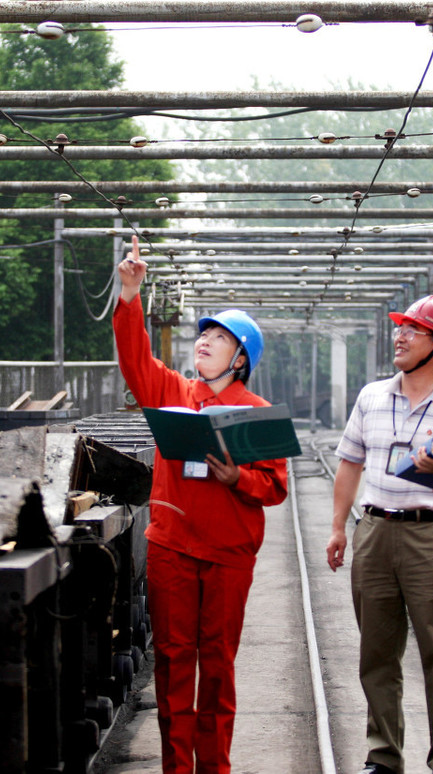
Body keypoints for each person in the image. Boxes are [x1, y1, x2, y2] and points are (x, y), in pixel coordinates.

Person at [113, 235, 289, 774]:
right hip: (171, 547)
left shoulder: (257, 413)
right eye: (204, 333)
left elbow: (275, 486)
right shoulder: (173, 393)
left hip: (228, 555)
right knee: (172, 661)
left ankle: (215, 767)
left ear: (241, 359)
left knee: (216, 667)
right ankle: (176, 768)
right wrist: (129, 295)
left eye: (220, 337)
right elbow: (135, 360)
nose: (205, 341)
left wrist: (238, 477)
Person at [326, 295, 433, 774]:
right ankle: (383, 755)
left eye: (413, 330)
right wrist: (338, 526)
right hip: (373, 531)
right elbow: (350, 462)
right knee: (377, 650)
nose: (401, 336)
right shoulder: (372, 396)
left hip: (431, 535)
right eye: (401, 328)